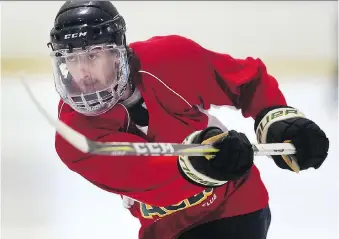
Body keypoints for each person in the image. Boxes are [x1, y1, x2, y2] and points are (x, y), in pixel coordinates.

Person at [48, 1, 329, 239]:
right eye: (71, 59)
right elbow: (144, 173)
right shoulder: (73, 135)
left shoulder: (170, 59)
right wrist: (201, 161)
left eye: (93, 55)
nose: (82, 72)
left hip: (233, 207)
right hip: (165, 229)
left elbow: (246, 82)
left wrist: (275, 118)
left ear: (117, 51)